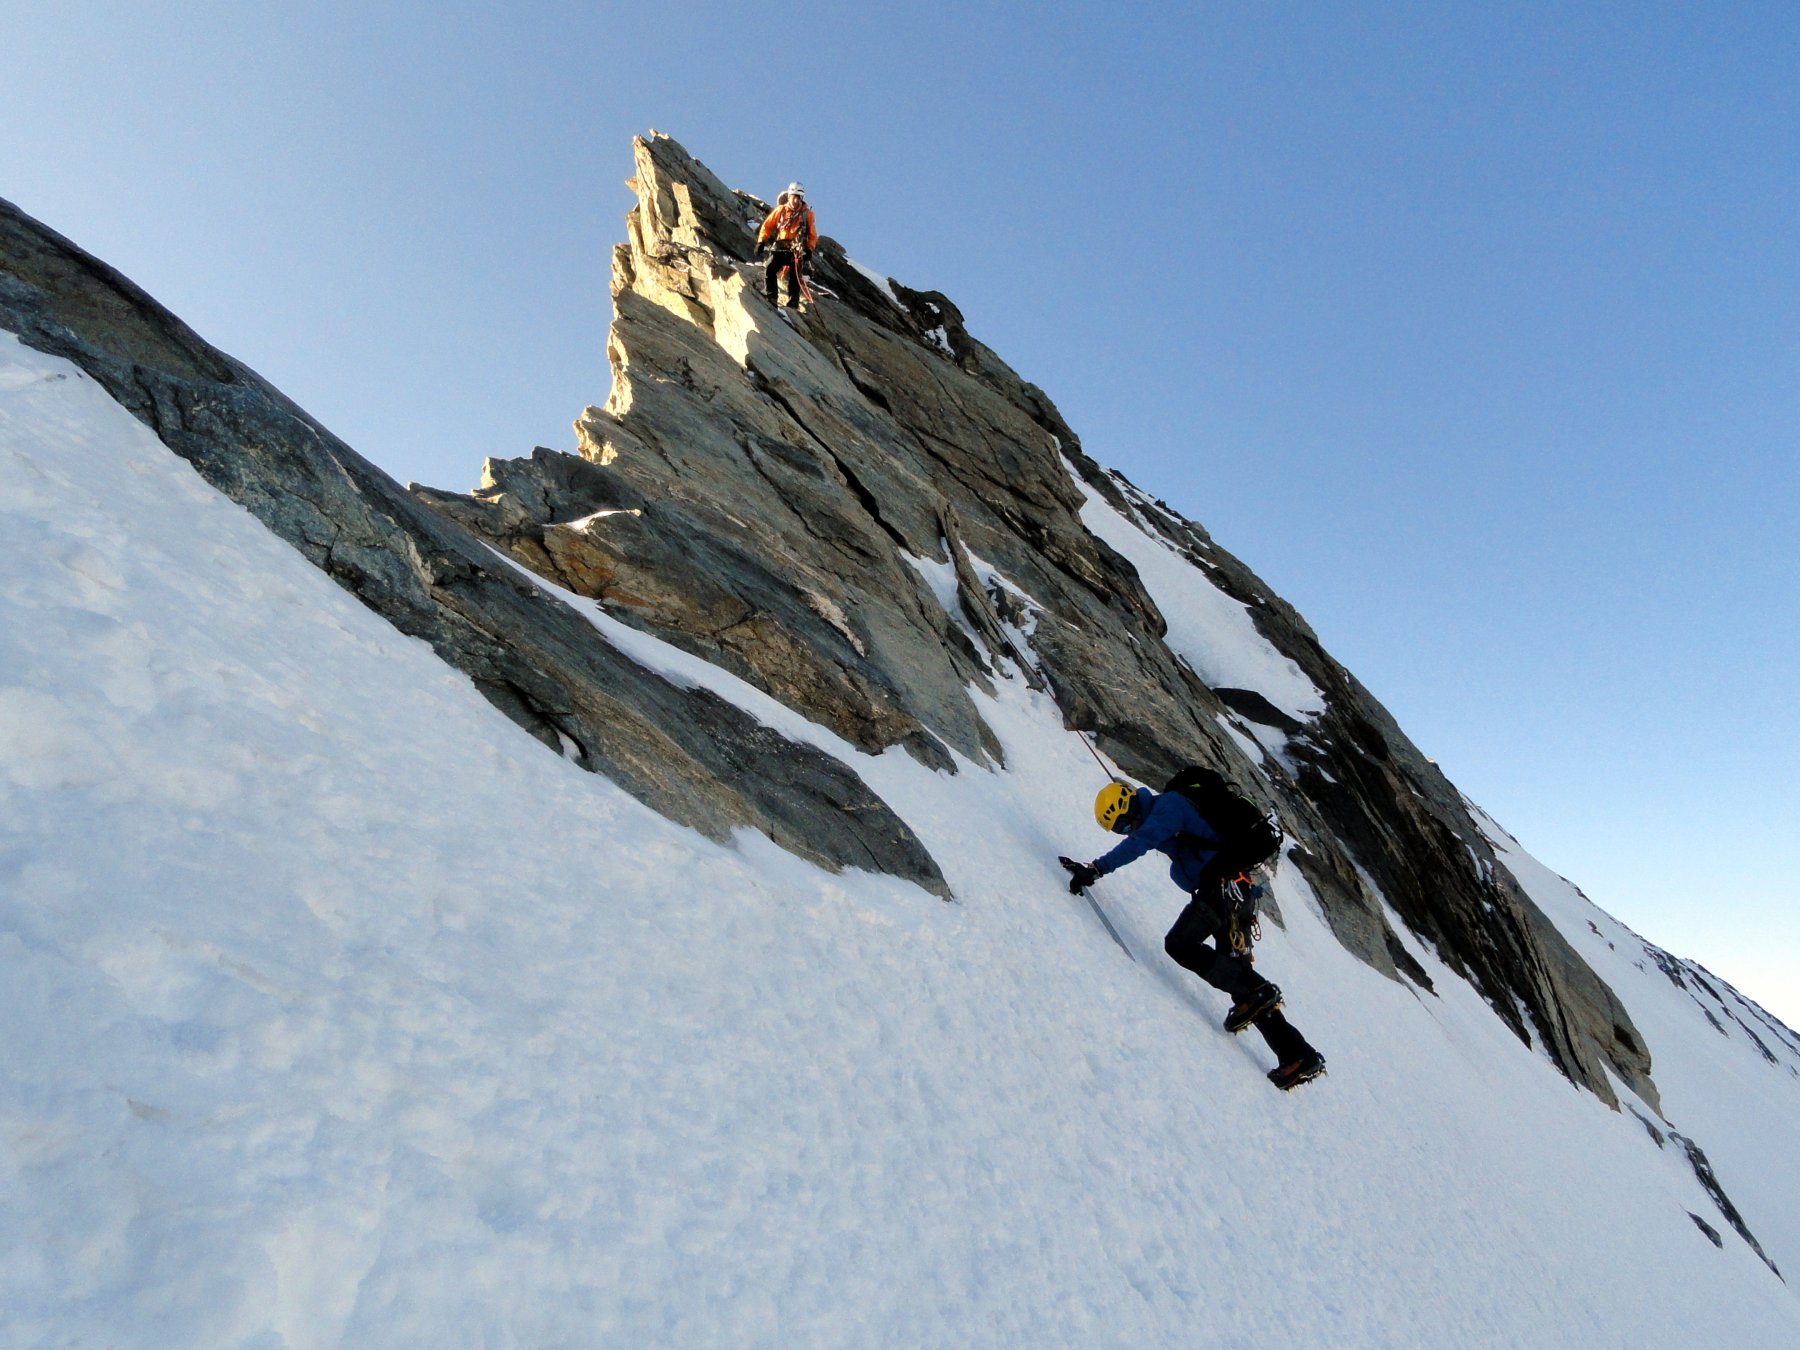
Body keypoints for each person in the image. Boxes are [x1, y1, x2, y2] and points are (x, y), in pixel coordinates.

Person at [1062, 780, 1327, 1090]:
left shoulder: (1168, 807)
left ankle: (1259, 992)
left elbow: (1142, 841)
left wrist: (1097, 868)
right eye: (1119, 828)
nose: (1127, 829)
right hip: (1236, 893)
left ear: (1129, 802)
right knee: (1241, 982)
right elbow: (1150, 839)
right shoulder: (1161, 815)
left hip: (1221, 891)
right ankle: (1298, 1056)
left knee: (1180, 944)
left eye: (1124, 820)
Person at [755, 182, 818, 309]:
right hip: (780, 246)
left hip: (796, 249)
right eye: (793, 197)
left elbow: (812, 235)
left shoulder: (807, 214)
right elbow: (767, 226)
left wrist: (809, 249)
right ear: (789, 196)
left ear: (801, 198)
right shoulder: (781, 210)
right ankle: (771, 296)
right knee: (770, 268)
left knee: (795, 278)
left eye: (798, 197)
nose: (795, 200)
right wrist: (761, 242)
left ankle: (792, 304)